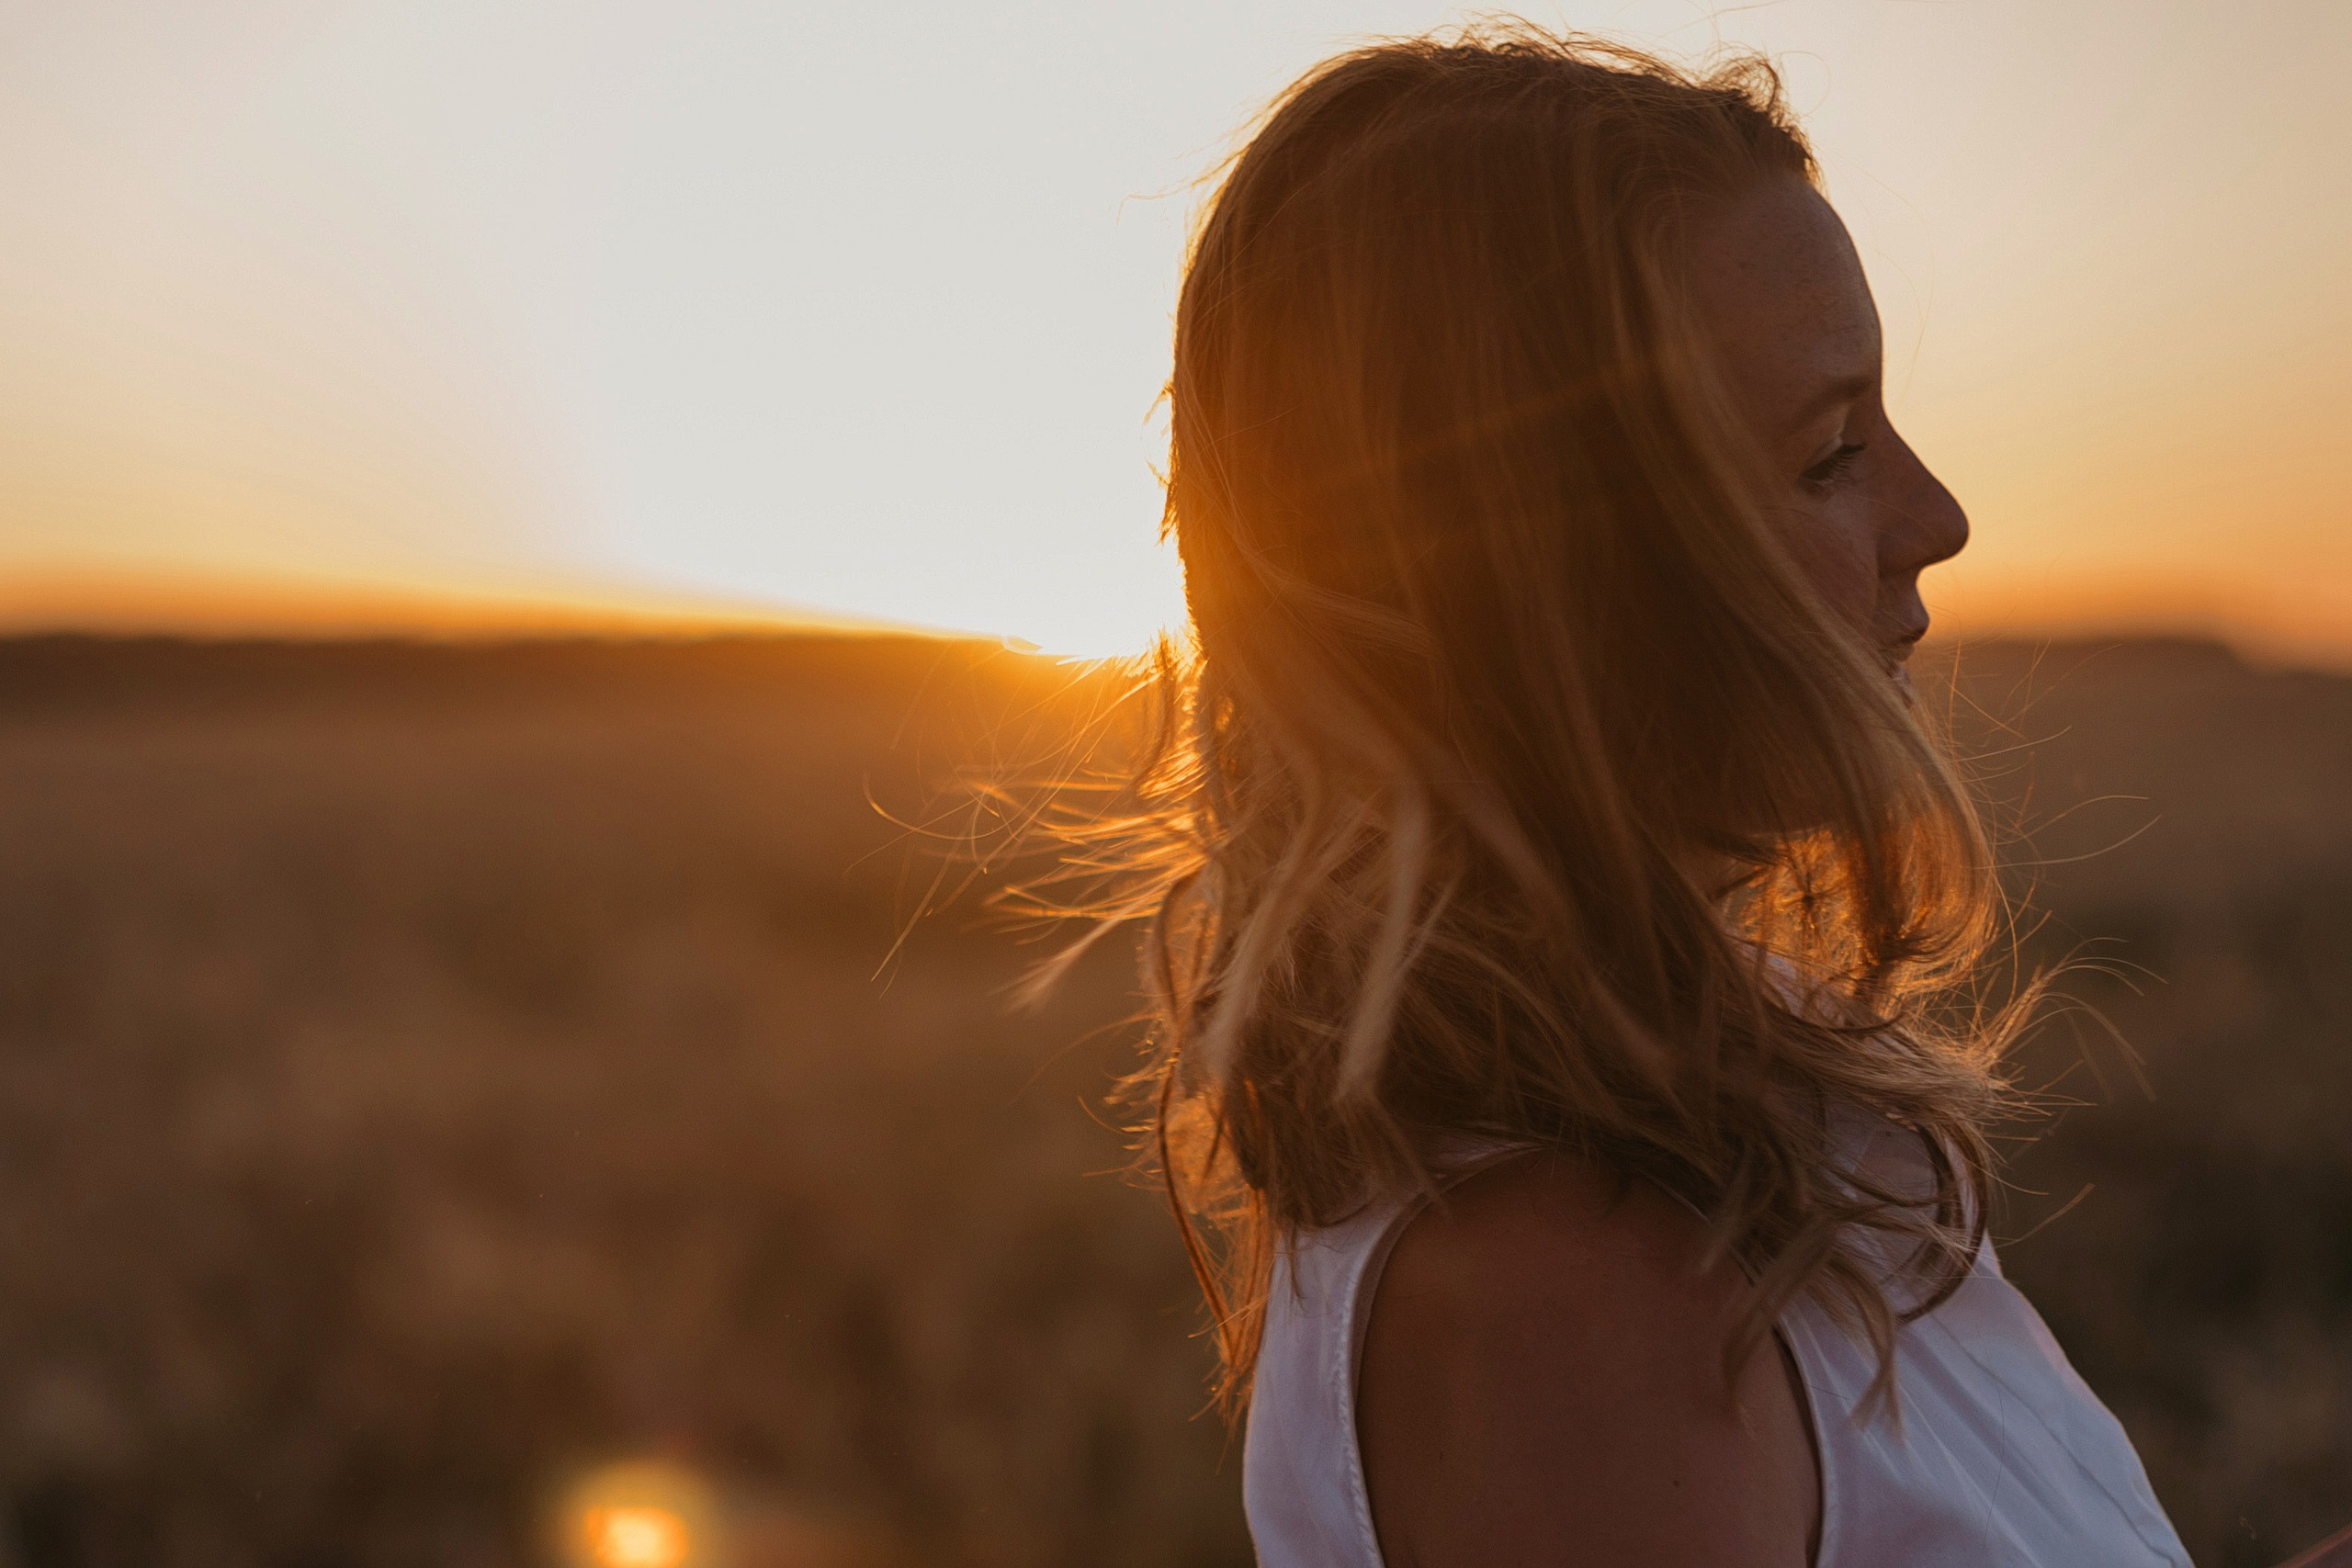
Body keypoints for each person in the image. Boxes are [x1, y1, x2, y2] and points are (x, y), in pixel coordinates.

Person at [1056, 24, 2352, 1568]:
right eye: (1830, 454)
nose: (1934, 519)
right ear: (1552, 580)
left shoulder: (1714, 1113)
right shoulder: (1561, 1309)